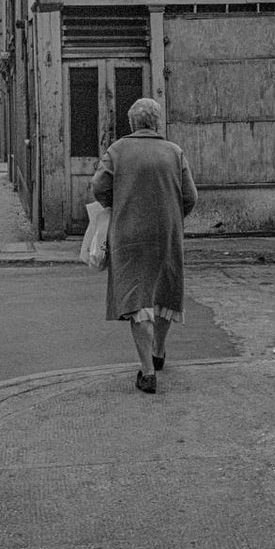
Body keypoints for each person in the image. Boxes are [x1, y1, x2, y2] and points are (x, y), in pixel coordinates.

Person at [92, 97, 197, 394]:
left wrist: (119, 204)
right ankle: (159, 351)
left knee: (137, 301)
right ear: (157, 122)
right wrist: (172, 216)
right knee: (165, 293)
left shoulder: (117, 151)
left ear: (132, 124)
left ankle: (148, 373)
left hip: (129, 235)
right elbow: (190, 197)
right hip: (167, 234)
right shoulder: (174, 153)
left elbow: (99, 188)